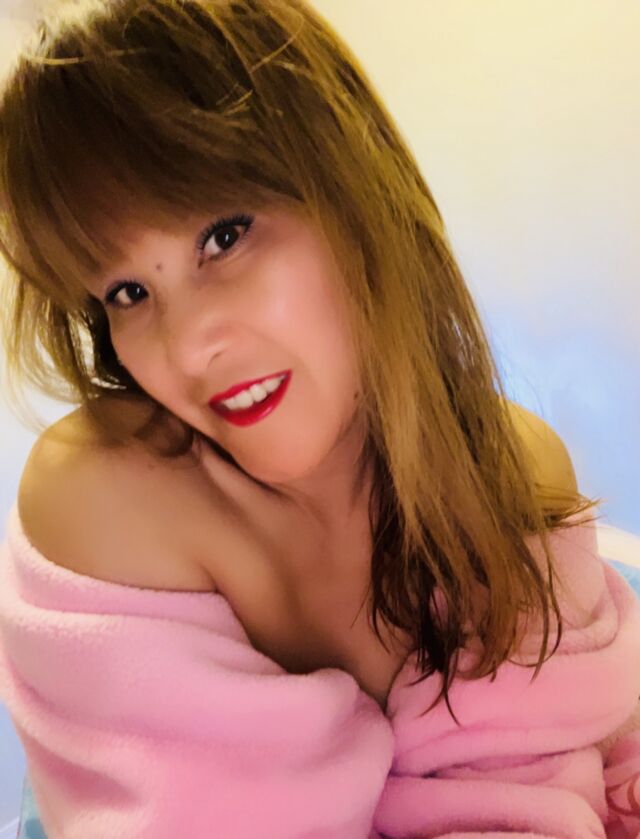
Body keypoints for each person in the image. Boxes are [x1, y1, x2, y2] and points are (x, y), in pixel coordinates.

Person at [0, 2, 639, 837]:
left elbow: (553, 786)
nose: (188, 347)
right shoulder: (104, 499)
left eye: (224, 236)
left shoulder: (509, 475)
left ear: (355, 192)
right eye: (127, 292)